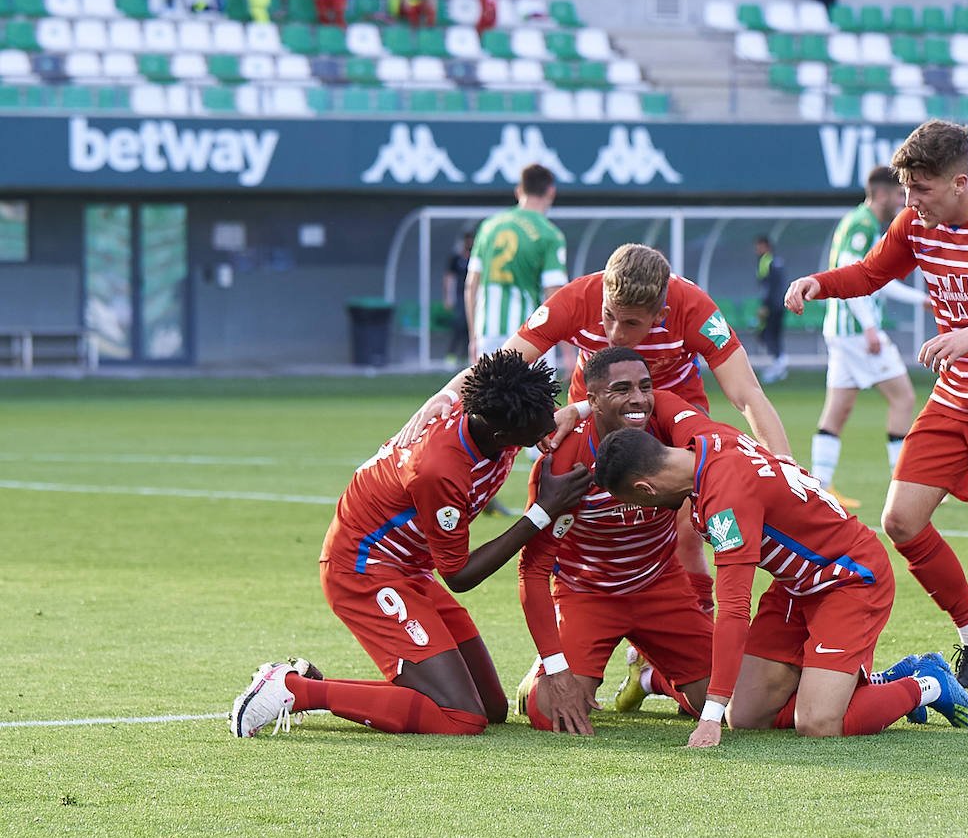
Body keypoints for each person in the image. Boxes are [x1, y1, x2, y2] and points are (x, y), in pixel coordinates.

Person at [784, 119, 968, 720]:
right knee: (901, 520)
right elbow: (871, 273)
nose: (909, 204)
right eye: (905, 190)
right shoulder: (916, 222)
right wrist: (819, 283)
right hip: (956, 395)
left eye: (922, 191)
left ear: (960, 181)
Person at [399, 243, 792, 617]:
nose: (615, 334)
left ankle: (690, 639)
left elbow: (747, 394)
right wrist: (448, 394)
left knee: (688, 529)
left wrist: (786, 468)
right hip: (595, 411)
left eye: (631, 323)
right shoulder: (577, 298)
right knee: (563, 511)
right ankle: (564, 628)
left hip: (674, 412)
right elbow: (505, 361)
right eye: (608, 316)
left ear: (661, 314)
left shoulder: (695, 308)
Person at [228, 350, 592, 738]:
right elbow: (460, 574)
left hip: (411, 567)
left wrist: (584, 407)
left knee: (491, 708)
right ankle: (292, 690)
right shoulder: (439, 468)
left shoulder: (498, 414)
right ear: (503, 437)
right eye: (537, 432)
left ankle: (311, 682)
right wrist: (541, 512)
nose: (546, 432)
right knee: (462, 718)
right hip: (363, 567)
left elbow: (490, 381)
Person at [595, 424, 968, 747]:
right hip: (797, 586)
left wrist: (709, 715)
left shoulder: (725, 499)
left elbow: (732, 610)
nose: (644, 510)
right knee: (745, 715)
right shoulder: (706, 438)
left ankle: (927, 684)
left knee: (818, 723)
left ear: (645, 489)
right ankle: (867, 683)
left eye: (634, 502)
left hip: (848, 578)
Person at [517, 347, 719, 735]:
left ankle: (649, 679)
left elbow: (716, 443)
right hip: (586, 593)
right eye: (622, 389)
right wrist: (556, 668)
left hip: (661, 584)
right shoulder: (562, 460)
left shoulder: (666, 426)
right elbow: (533, 568)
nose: (639, 399)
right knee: (552, 714)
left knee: (730, 703)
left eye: (645, 387)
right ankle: (541, 675)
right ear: (592, 400)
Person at [811, 165, 926, 510]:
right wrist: (870, 326)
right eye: (896, 194)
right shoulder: (862, 225)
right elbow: (853, 274)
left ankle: (819, 487)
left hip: (842, 331)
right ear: (880, 194)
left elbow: (876, 279)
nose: (901, 201)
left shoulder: (858, 221)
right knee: (903, 398)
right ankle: (903, 482)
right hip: (857, 332)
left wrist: (918, 299)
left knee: (837, 410)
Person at [466, 164, 567, 365]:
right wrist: (567, 349)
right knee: (534, 396)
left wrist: (473, 337)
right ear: (551, 192)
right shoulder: (550, 234)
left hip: (488, 331)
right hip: (531, 334)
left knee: (488, 396)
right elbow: (554, 293)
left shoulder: (488, 227)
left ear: (519, 191)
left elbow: (471, 284)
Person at [754, 236, 790, 384]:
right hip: (781, 304)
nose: (756, 250)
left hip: (772, 306)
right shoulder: (778, 261)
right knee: (774, 334)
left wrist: (764, 306)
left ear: (765, 246)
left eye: (758, 246)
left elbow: (767, 287)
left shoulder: (766, 261)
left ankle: (779, 362)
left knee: (766, 334)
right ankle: (779, 364)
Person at [442, 231, 474, 368]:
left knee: (470, 326)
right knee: (458, 325)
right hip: (460, 297)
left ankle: (467, 356)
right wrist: (448, 298)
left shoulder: (475, 259)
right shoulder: (455, 259)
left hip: (473, 297)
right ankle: (451, 356)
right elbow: (449, 278)